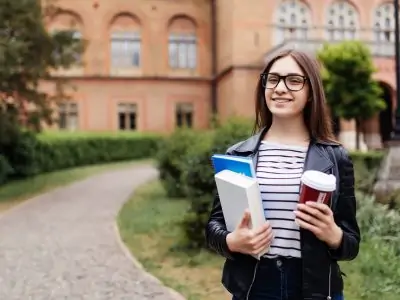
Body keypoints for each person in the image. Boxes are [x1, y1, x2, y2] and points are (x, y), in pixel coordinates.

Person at [205, 49, 360, 300]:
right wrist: (232, 242)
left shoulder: (335, 157)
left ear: (311, 93)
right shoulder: (239, 155)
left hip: (314, 288)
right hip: (255, 286)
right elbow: (213, 228)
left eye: (294, 80)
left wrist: (334, 235)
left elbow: (351, 243)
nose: (280, 88)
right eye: (273, 79)